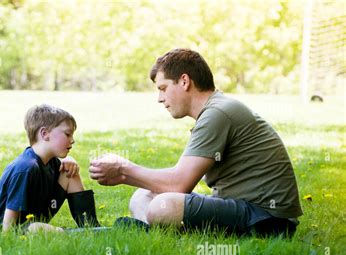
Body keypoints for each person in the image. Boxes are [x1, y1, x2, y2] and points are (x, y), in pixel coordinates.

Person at [89, 48, 302, 235]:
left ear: (184, 81)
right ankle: (150, 232)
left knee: (163, 205)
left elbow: (179, 183)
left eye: (163, 88)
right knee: (142, 196)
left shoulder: (218, 113)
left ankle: (149, 230)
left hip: (268, 219)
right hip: (244, 209)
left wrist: (123, 170)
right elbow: (178, 181)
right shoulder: (215, 109)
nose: (160, 99)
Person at [0, 104, 100, 233]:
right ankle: (68, 233)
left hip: (36, 220)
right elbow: (7, 226)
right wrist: (7, 237)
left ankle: (91, 228)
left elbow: (64, 172)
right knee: (35, 228)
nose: (72, 140)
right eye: (67, 134)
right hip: (16, 228)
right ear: (44, 133)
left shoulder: (51, 162)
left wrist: (69, 161)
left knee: (69, 171)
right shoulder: (26, 168)